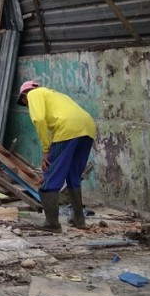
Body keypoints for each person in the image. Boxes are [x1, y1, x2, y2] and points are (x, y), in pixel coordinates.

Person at [17, 81, 96, 232]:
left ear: (24, 95)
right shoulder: (57, 95)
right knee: (74, 174)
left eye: (25, 103)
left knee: (50, 174)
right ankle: (79, 219)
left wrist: (46, 150)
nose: (27, 106)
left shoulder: (33, 94)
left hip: (67, 128)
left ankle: (52, 223)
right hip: (88, 127)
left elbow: (39, 120)